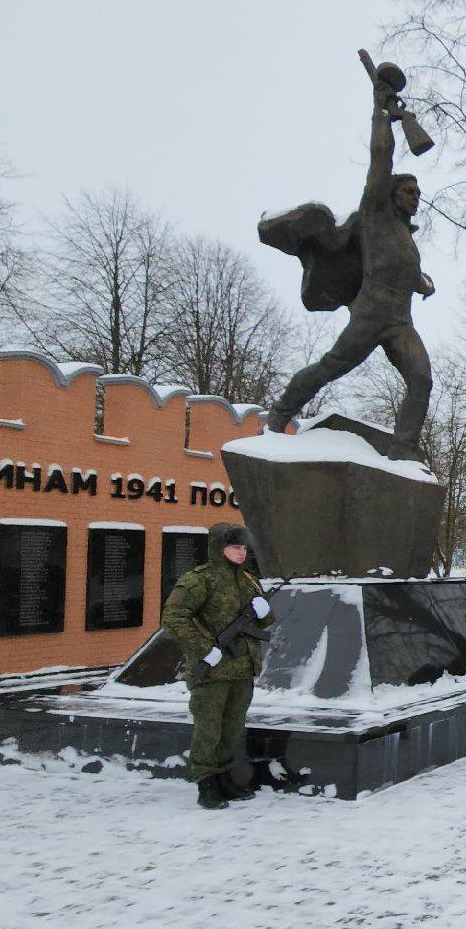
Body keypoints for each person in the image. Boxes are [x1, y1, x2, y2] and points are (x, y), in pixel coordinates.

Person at [267, 73, 436, 447]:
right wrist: (382, 115)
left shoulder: (407, 237)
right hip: (371, 311)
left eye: (418, 192)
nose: (415, 196)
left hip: (399, 320)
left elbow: (407, 270)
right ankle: (279, 414)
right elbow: (381, 158)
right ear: (391, 195)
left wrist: (424, 283)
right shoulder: (376, 214)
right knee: (332, 366)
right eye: (408, 190)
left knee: (421, 378)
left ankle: (402, 450)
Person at [161, 522, 274, 810]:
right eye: (235, 547)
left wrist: (265, 613)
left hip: (243, 668)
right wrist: (204, 650)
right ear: (219, 548)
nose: (241, 552)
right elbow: (173, 618)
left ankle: (224, 778)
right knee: (209, 728)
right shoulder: (199, 580)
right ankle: (206, 783)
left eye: (244, 547)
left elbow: (263, 622)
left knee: (233, 727)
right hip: (212, 670)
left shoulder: (249, 580)